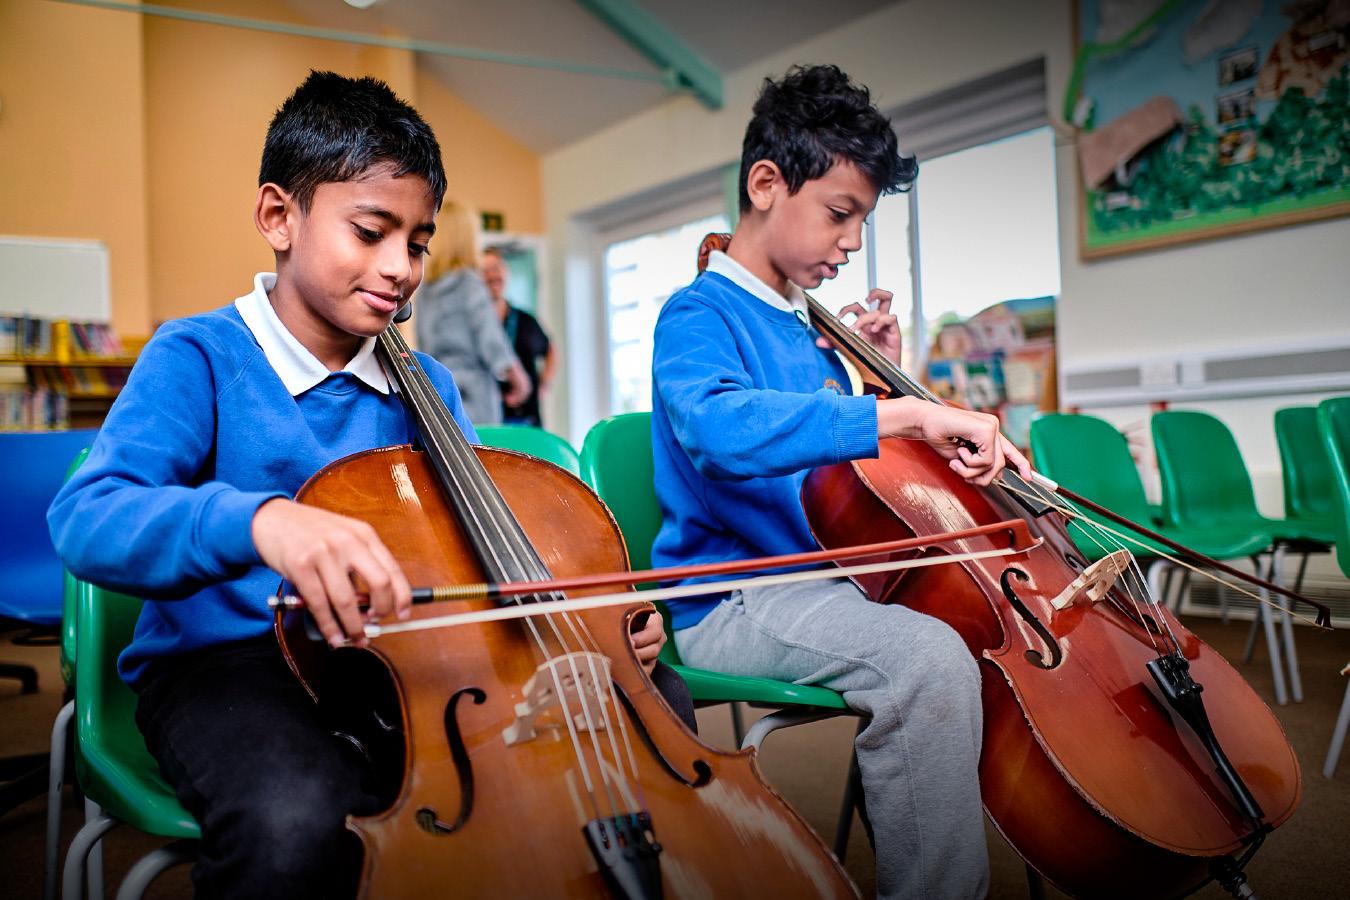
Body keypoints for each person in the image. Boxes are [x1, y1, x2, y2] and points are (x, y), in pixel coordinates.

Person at [48, 70, 688, 900]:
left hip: (399, 655)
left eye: (417, 243)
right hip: (230, 663)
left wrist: (590, 621)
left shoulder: (428, 385)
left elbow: (474, 542)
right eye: (371, 231)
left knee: (646, 701)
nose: (400, 269)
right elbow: (91, 516)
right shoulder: (197, 355)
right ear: (279, 216)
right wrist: (262, 523)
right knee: (297, 819)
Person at [650, 64, 1032, 900]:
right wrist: (896, 414)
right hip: (739, 595)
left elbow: (853, 479)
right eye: (839, 212)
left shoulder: (812, 329)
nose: (853, 241)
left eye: (862, 218)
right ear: (765, 184)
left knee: (979, 633)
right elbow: (719, 430)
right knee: (928, 659)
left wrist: (880, 378)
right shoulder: (699, 314)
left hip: (831, 581)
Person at [415, 202, 529, 425]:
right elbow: (489, 336)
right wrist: (518, 377)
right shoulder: (469, 282)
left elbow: (424, 340)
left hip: (438, 389)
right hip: (475, 393)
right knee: (480, 445)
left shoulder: (425, 289)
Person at [482, 248, 557, 426]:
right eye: (485, 271)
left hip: (528, 419)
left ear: (506, 272)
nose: (493, 275)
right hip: (489, 419)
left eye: (496, 268)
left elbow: (550, 349)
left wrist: (544, 385)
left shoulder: (525, 320)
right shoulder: (475, 325)